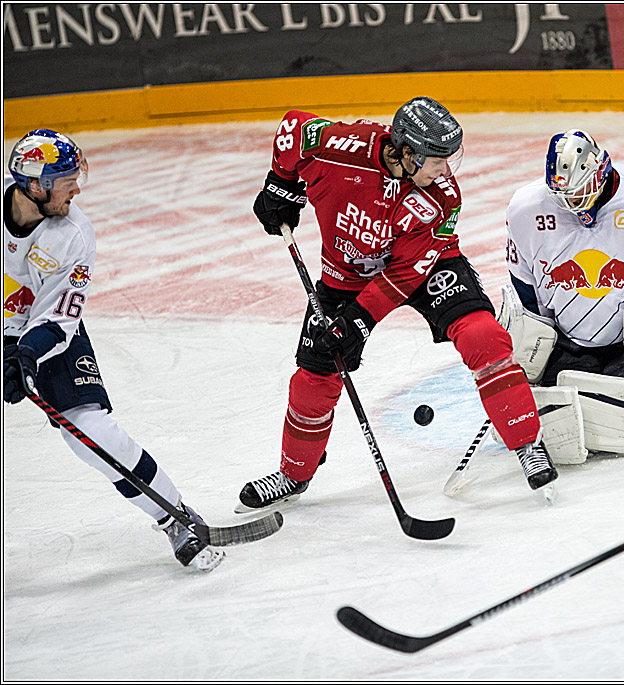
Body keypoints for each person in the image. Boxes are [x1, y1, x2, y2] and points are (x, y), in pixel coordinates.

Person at [238, 96, 556, 508]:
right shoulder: (341, 149)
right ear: (407, 151)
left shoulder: (442, 197)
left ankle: (527, 443)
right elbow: (294, 127)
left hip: (425, 266)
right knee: (314, 377)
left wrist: (360, 319)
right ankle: (292, 474)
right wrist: (280, 183)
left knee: (483, 335)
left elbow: (406, 273)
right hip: (345, 273)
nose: (446, 170)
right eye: (437, 159)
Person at [3, 129, 224, 572]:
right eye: (67, 179)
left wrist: (22, 353)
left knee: (89, 429)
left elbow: (60, 318)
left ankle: (175, 516)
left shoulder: (74, 234)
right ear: (35, 184)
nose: (77, 188)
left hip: (38, 331)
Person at [499, 129, 624, 463]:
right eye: (563, 194)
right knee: (538, 388)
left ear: (600, 170)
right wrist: (531, 338)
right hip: (567, 341)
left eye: (579, 192)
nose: (572, 203)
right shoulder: (526, 209)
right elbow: (523, 282)